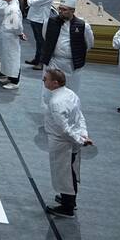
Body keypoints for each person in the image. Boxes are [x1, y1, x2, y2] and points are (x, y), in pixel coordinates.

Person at [42, 68, 92, 219]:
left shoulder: (56, 102)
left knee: (64, 174)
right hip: (72, 140)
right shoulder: (71, 94)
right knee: (69, 171)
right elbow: (79, 117)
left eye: (46, 79)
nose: (44, 80)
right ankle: (69, 199)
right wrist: (83, 135)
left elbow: (63, 129)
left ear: (55, 83)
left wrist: (79, 139)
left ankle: (67, 207)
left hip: (61, 142)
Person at [38, 0, 94, 93]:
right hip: (53, 62)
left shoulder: (83, 26)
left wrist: (75, 53)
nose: (61, 12)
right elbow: (45, 37)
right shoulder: (50, 22)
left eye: (64, 10)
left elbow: (89, 43)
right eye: (60, 9)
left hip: (71, 64)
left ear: (72, 11)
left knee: (70, 90)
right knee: (49, 90)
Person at [0, 0, 25, 90]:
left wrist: (20, 34)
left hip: (11, 36)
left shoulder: (14, 9)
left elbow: (17, 25)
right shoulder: (9, 5)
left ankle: (15, 81)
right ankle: (9, 76)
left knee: (12, 57)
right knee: (6, 57)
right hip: (6, 34)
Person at [25, 0, 54, 70]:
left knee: (42, 41)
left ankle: (42, 62)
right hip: (34, 16)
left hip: (40, 18)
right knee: (37, 40)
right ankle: (37, 59)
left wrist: (31, 1)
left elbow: (36, 2)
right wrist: (31, 1)